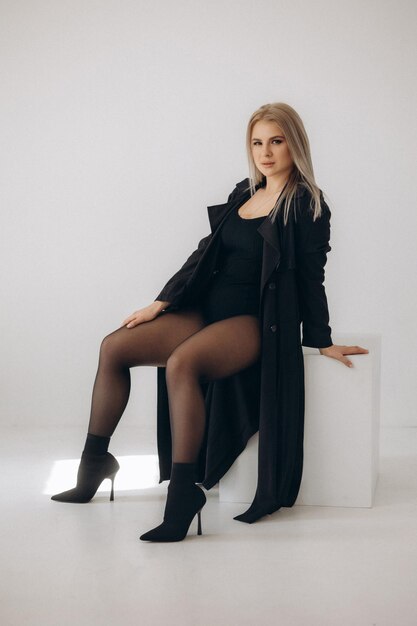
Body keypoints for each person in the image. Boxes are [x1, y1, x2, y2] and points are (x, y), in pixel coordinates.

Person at [51, 102, 368, 541]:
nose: (266, 152)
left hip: (255, 320)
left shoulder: (308, 207)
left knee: (183, 364)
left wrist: (322, 339)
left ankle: (184, 495)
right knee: (115, 347)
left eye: (276, 141)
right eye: (258, 142)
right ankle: (94, 465)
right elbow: (203, 254)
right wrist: (162, 302)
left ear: (294, 144)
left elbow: (313, 280)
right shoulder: (245, 191)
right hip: (207, 308)